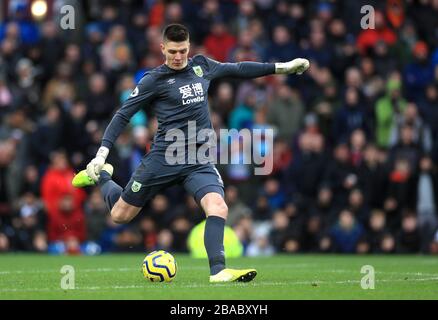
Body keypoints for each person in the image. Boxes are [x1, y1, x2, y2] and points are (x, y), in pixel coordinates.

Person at [72, 24, 309, 282]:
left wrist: (281, 67)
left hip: (198, 159)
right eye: (172, 51)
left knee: (218, 206)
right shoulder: (153, 80)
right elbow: (123, 114)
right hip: (164, 157)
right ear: (162, 48)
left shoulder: (201, 66)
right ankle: (103, 176)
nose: (178, 56)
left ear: (189, 47)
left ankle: (218, 271)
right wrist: (101, 155)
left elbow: (238, 69)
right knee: (120, 215)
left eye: (183, 50)